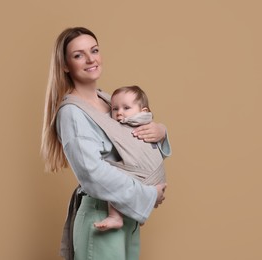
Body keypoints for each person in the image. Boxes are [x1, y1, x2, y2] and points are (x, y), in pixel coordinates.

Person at [41, 27, 171, 260]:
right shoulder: (72, 113)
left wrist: (160, 131)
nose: (91, 59)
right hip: (101, 215)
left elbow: (134, 141)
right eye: (79, 55)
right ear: (65, 65)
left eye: (94, 50)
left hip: (126, 213)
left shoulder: (109, 100)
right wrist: (148, 195)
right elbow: (92, 173)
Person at [93, 85, 167, 231]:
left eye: (126, 108)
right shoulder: (146, 120)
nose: (120, 113)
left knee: (112, 175)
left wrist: (162, 129)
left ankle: (115, 217)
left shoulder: (141, 123)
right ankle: (135, 214)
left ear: (143, 111)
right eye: (115, 109)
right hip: (156, 177)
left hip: (148, 174)